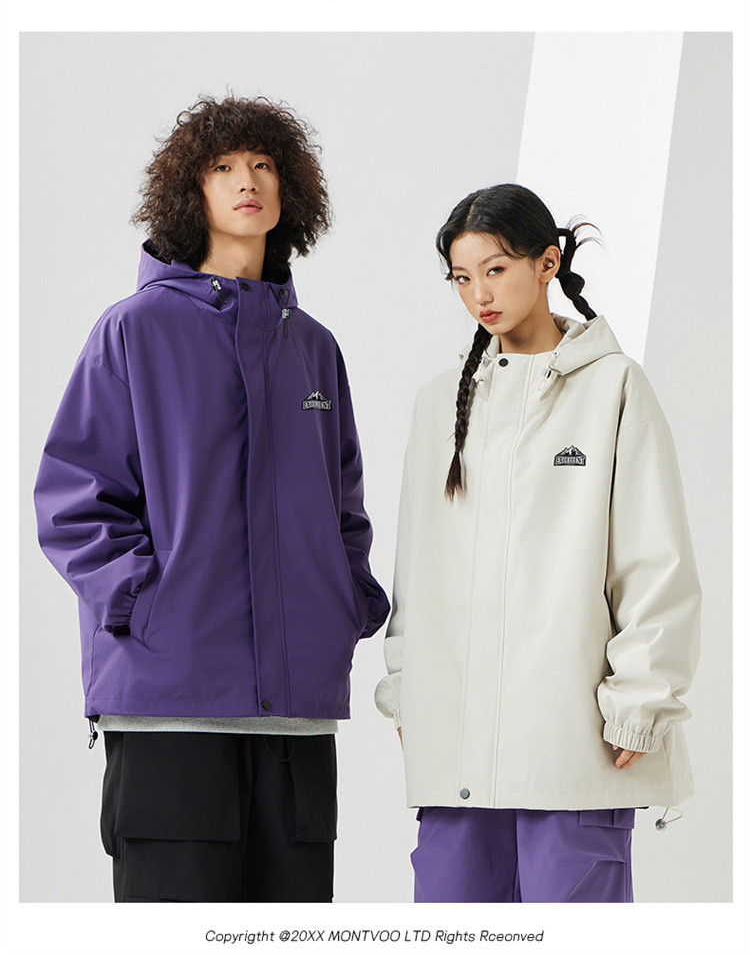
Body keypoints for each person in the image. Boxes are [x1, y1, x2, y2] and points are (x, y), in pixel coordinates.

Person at [34, 95, 389, 903]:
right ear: (189, 192)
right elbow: (74, 499)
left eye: (263, 165)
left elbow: (344, 505)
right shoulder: (133, 331)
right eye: (224, 167)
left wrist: (347, 602)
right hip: (172, 713)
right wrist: (145, 601)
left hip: (296, 723)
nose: (247, 181)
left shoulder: (314, 348)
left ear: (290, 189)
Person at [374, 183, 700, 903]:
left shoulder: (614, 387)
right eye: (462, 277)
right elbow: (416, 572)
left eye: (496, 269)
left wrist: (641, 699)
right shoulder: (440, 403)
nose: (479, 294)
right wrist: (407, 691)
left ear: (547, 262)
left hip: (572, 744)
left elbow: (655, 560)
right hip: (455, 751)